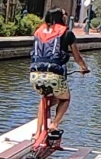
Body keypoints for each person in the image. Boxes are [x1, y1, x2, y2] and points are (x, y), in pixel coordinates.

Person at [29, 8, 89, 137]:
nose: (66, 16)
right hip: (54, 75)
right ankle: (54, 124)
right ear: (60, 17)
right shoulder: (67, 33)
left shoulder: (38, 31)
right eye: (65, 14)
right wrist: (84, 68)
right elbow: (77, 57)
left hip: (34, 75)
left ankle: (38, 132)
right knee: (65, 99)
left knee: (46, 99)